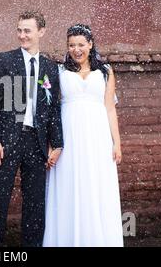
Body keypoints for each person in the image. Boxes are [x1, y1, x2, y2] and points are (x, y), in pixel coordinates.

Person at [0, 10, 63, 247]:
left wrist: (56, 144)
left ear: (41, 31)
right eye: (19, 30)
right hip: (6, 142)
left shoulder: (50, 67)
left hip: (36, 144)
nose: (22, 35)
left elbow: (53, 108)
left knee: (35, 203)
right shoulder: (4, 60)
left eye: (27, 30)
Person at [43, 24, 123, 247]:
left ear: (90, 44)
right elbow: (51, 109)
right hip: (69, 138)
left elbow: (109, 108)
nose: (76, 49)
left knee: (96, 186)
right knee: (70, 184)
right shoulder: (59, 72)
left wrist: (117, 143)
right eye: (71, 45)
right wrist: (53, 143)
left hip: (98, 137)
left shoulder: (106, 71)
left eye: (80, 44)